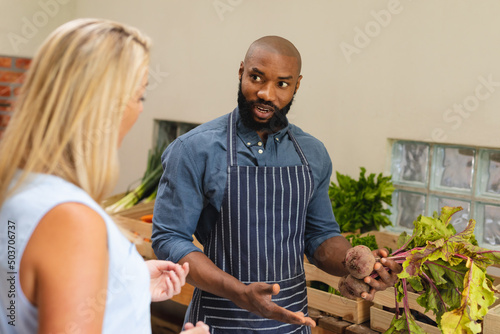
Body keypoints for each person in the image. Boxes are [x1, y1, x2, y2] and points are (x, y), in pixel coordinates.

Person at [152, 35, 402, 333]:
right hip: (217, 322)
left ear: (297, 85)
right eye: (256, 77)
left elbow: (320, 236)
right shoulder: (194, 149)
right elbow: (169, 239)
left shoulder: (312, 153)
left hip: (293, 324)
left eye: (282, 84)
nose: (266, 93)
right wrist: (238, 292)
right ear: (241, 71)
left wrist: (356, 263)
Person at [0, 18, 209, 334]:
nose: (139, 110)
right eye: (139, 96)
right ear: (104, 106)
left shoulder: (17, 186)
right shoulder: (71, 221)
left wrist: (129, 281)